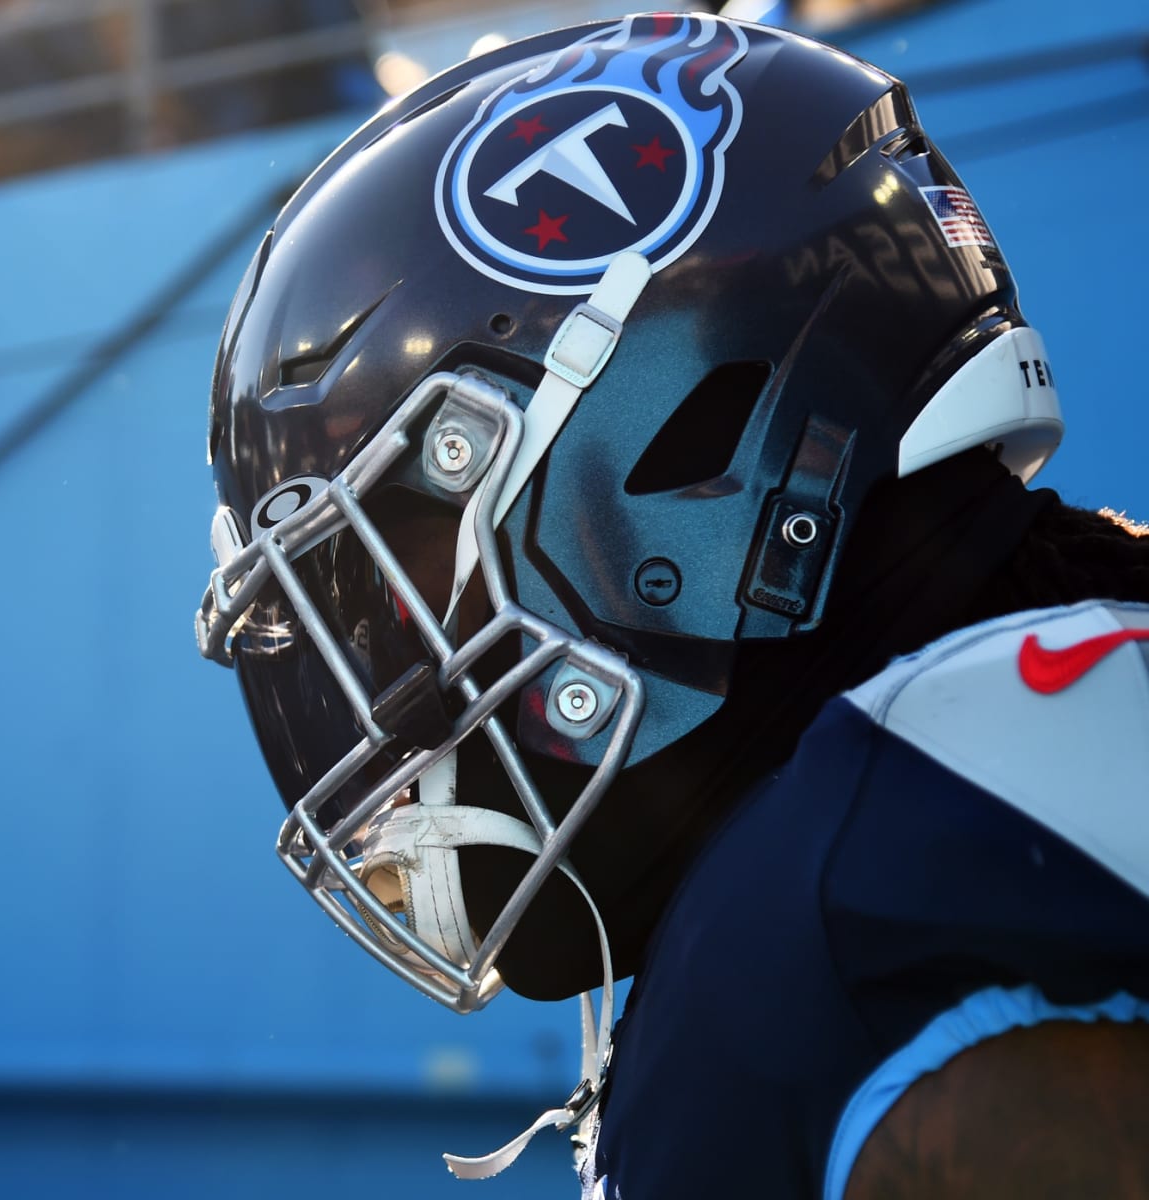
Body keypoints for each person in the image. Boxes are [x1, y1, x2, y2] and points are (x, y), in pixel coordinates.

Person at [195, 12, 1149, 1196]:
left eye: (410, 559)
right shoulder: (1076, 681)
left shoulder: (857, 898)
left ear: (684, 452)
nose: (393, 687)